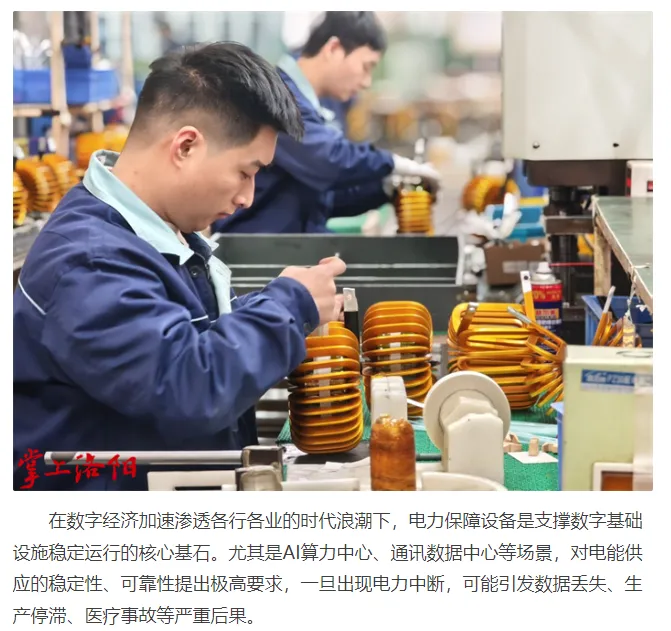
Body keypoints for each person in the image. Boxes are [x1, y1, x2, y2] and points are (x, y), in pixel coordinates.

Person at [13, 42, 346, 491]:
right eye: (245, 172)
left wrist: (270, 304)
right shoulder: (89, 259)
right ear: (186, 146)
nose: (247, 197)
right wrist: (290, 306)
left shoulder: (148, 234)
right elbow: (189, 386)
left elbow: (181, 335)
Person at [212, 11, 440, 235]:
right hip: (256, 243)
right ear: (334, 49)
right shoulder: (277, 99)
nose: (366, 82)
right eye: (366, 66)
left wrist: (384, 188)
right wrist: (393, 163)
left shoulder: (313, 105)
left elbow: (324, 197)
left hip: (289, 238)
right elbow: (329, 160)